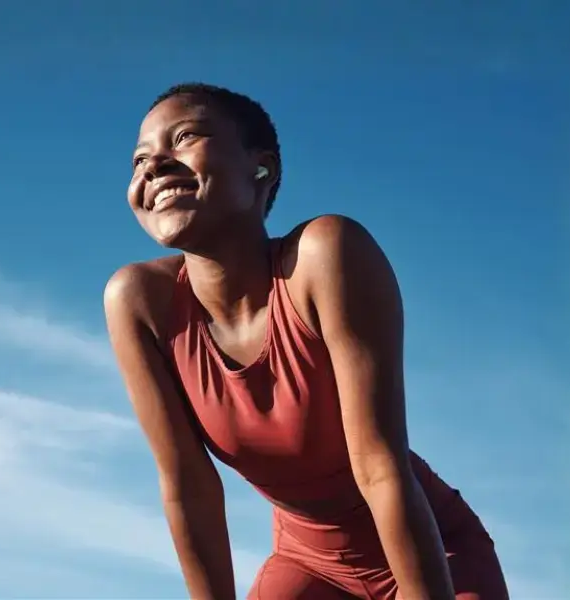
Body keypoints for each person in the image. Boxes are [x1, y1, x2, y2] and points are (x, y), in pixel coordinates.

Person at [103, 83, 511, 600]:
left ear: (262, 168)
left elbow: (380, 467)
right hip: (307, 564)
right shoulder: (139, 302)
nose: (154, 166)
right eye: (139, 159)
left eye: (185, 137)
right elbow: (189, 487)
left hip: (434, 554)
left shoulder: (324, 256)